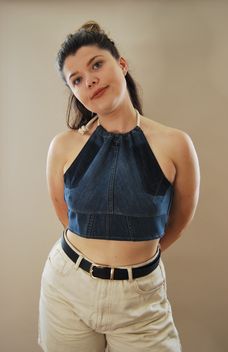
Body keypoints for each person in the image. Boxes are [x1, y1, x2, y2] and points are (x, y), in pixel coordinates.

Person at [38, 21, 200, 352]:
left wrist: (134, 259)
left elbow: (179, 221)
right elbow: (66, 216)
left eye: (97, 64)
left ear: (121, 64)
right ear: (75, 92)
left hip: (140, 298)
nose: (90, 80)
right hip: (66, 288)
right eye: (77, 80)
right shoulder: (63, 147)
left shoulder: (175, 144)